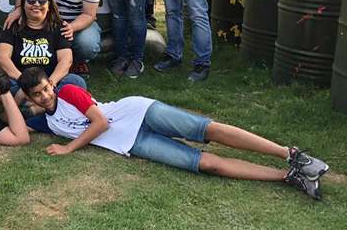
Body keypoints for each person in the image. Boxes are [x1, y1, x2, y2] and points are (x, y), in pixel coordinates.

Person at [18, 67, 329, 200]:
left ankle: (291, 155)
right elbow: (16, 129)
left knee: (208, 130)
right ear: (30, 99)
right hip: (133, 143)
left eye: (45, 89)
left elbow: (101, 123)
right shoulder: (47, 123)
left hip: (137, 111)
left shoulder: (69, 91)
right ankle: (289, 176)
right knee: (207, 164)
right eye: (37, 95)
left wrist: (69, 148)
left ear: (52, 84)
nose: (44, 96)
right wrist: (8, 97)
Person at [0, 0, 87, 111]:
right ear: (23, 4)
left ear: (49, 5)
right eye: (31, 0)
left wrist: (49, 85)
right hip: (20, 81)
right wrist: (25, 83)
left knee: (76, 82)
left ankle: (33, 106)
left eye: (42, 1)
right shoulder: (12, 25)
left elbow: (66, 61)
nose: (36, 4)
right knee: (1, 84)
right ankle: (50, 105)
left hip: (51, 82)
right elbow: (2, 58)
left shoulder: (59, 27)